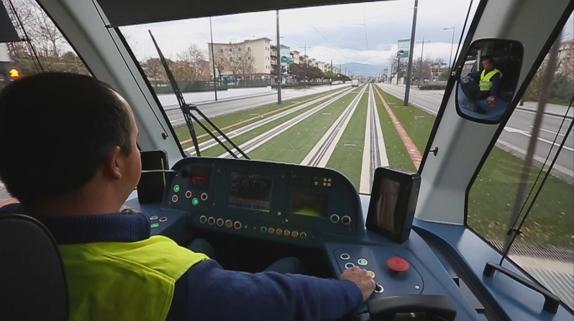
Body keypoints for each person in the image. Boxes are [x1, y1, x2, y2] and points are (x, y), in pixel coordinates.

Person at [0, 72, 375, 321]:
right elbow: (281, 300)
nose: (139, 148)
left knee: (198, 243)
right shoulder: (167, 280)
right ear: (116, 163)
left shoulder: (13, 245)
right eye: (134, 141)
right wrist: (348, 288)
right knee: (292, 262)